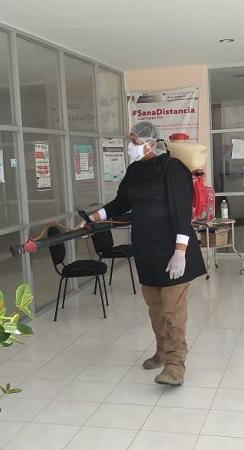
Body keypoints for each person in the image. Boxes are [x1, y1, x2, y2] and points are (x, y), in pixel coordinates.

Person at [85, 133, 206, 385]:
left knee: (173, 311)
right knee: (156, 309)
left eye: (136, 142)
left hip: (172, 249)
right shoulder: (135, 171)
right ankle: (162, 351)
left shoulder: (172, 168)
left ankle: (175, 366)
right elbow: (120, 203)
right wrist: (93, 218)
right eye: (131, 142)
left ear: (151, 142)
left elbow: (181, 212)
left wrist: (180, 252)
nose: (131, 147)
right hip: (146, 249)